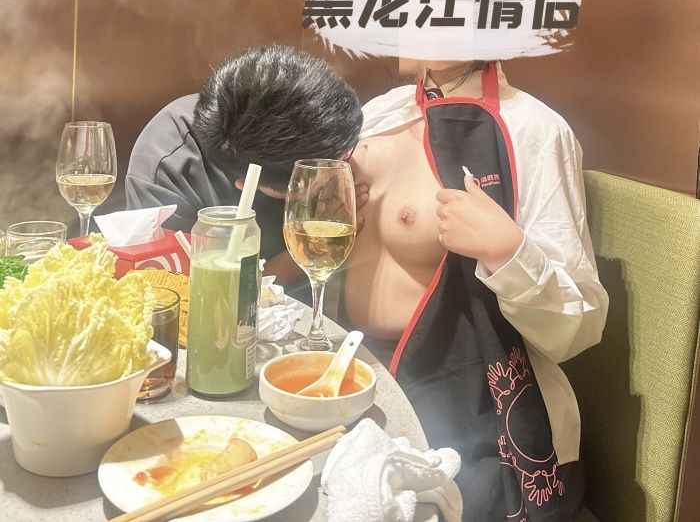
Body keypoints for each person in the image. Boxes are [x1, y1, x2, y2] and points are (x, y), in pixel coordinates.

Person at [343, 59, 609, 521]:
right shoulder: (377, 114)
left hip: (468, 408)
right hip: (357, 376)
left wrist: (508, 253)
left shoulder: (535, 131)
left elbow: (577, 328)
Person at [126, 45, 363, 288]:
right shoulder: (167, 171)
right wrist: (315, 246)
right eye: (340, 161)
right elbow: (205, 294)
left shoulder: (315, 126)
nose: (349, 167)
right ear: (248, 183)